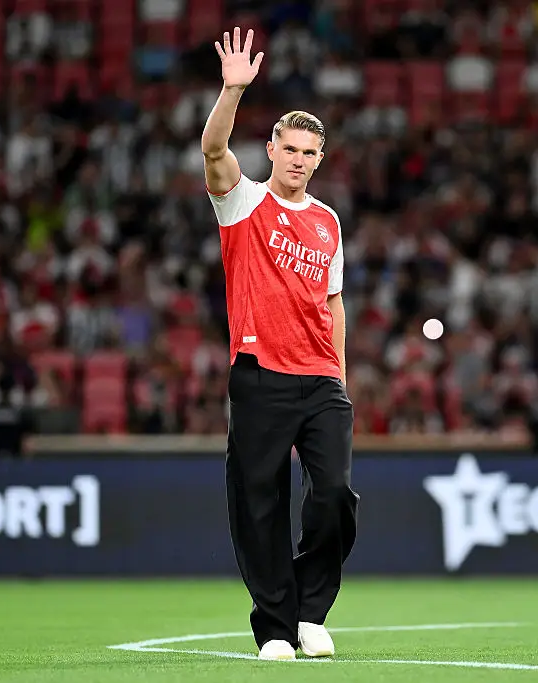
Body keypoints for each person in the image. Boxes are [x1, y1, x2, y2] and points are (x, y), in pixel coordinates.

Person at [200, 26, 358, 662]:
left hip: (321, 378)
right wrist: (232, 92)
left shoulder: (327, 221)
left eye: (309, 153)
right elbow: (213, 151)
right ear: (270, 148)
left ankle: (311, 609)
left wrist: (341, 377)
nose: (298, 160)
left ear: (320, 158)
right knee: (257, 504)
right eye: (289, 149)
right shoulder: (243, 203)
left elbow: (333, 302)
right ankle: (275, 627)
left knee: (335, 496)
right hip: (260, 372)